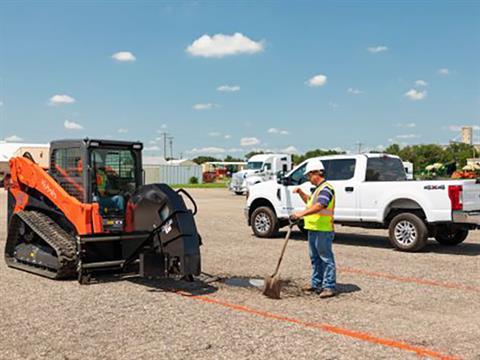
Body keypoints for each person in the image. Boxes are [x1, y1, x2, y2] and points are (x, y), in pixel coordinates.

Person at [291, 160, 337, 298]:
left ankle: (329, 286)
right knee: (315, 258)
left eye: (308, 176)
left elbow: (320, 205)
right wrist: (300, 192)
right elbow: (311, 202)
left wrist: (300, 214)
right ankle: (316, 284)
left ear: (315, 173)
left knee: (326, 258)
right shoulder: (318, 189)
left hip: (323, 229)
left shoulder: (326, 188)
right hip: (314, 228)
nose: (308, 179)